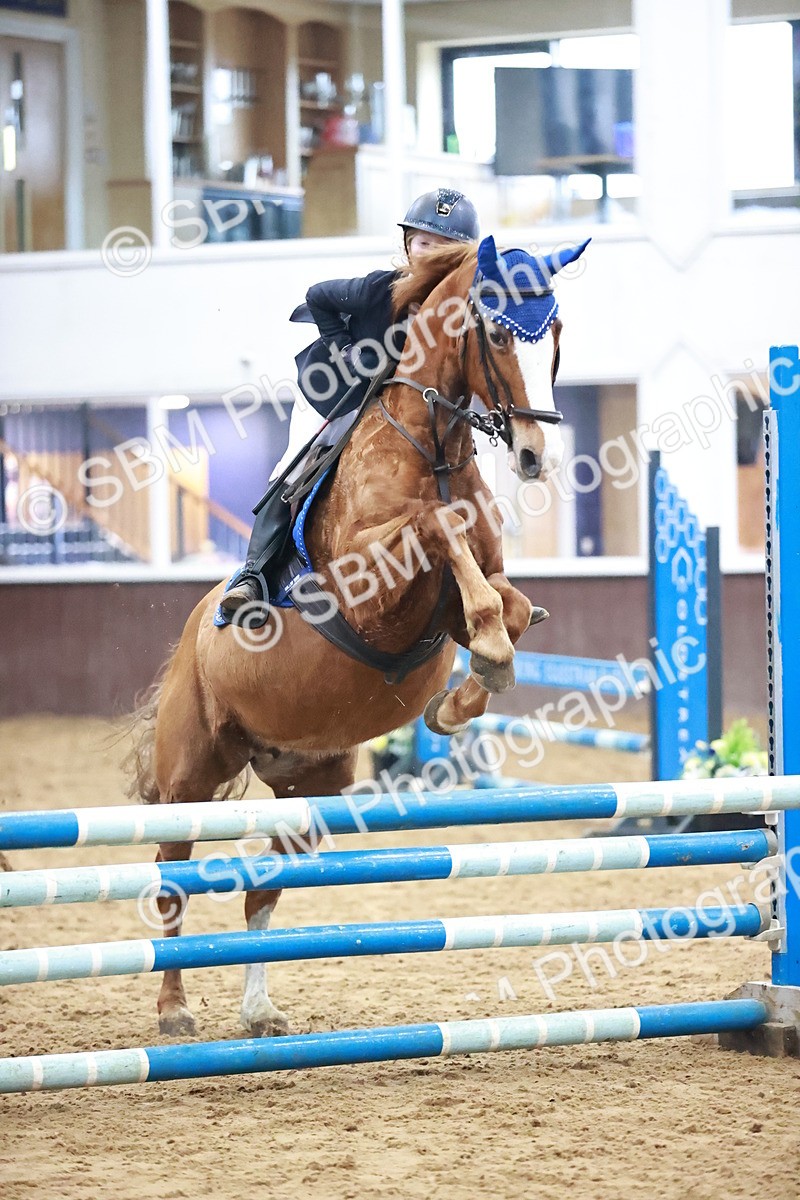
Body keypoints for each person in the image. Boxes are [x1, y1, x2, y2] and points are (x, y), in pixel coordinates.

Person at [216, 188, 481, 625]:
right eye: (422, 243)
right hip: (333, 395)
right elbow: (317, 295)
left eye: (442, 247)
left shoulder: (460, 309)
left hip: (401, 412)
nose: (429, 253)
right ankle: (254, 576)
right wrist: (348, 350)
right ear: (407, 246)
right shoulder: (380, 288)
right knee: (296, 470)